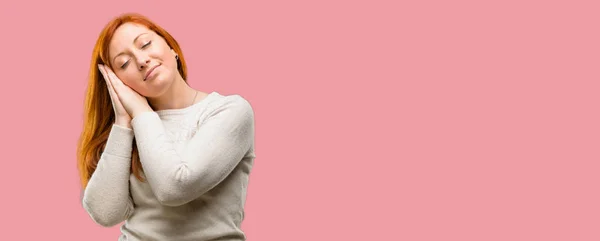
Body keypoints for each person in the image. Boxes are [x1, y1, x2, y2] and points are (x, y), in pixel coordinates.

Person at [76, 12, 256, 241]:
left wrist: (140, 111)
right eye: (124, 63)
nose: (141, 61)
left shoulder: (229, 110)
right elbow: (105, 213)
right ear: (118, 84)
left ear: (171, 47)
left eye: (145, 44)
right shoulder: (129, 129)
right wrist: (123, 121)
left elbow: (175, 187)